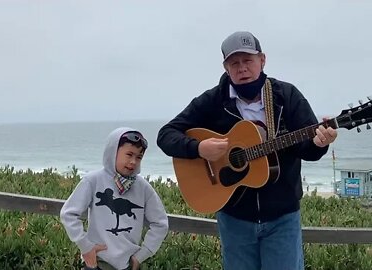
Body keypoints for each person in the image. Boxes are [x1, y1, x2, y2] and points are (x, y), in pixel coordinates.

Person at [156, 31, 337, 270]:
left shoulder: (287, 96)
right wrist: (199, 148)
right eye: (235, 63)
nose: (242, 68)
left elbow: (308, 150)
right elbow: (166, 135)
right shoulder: (212, 101)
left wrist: (319, 143)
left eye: (248, 60)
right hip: (235, 219)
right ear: (225, 67)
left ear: (262, 60)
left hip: (282, 217)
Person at [60, 127, 169, 270]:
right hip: (97, 263)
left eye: (138, 157)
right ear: (113, 152)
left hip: (128, 265)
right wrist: (86, 246)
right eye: (129, 154)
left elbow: (160, 224)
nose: (133, 161)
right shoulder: (93, 181)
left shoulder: (143, 188)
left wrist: (141, 256)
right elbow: (68, 214)